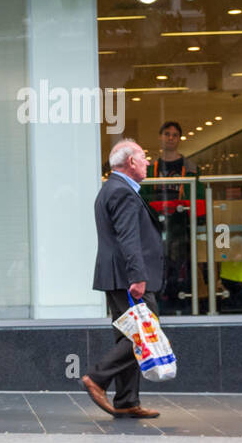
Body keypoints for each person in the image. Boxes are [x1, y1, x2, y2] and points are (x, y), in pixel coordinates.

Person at [81, 139, 162, 419]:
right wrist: (138, 277)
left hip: (117, 275)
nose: (148, 162)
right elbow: (129, 238)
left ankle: (127, 400)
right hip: (128, 278)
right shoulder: (122, 192)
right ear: (130, 162)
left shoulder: (113, 189)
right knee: (144, 333)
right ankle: (96, 377)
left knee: (129, 336)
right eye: (144, 156)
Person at [146, 121, 199, 315]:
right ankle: (159, 300)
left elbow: (197, 196)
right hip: (156, 222)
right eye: (167, 134)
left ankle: (181, 300)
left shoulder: (190, 167)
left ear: (179, 139)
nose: (170, 138)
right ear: (160, 137)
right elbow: (144, 195)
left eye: (175, 135)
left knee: (180, 262)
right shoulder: (150, 167)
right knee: (158, 261)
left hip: (180, 223)